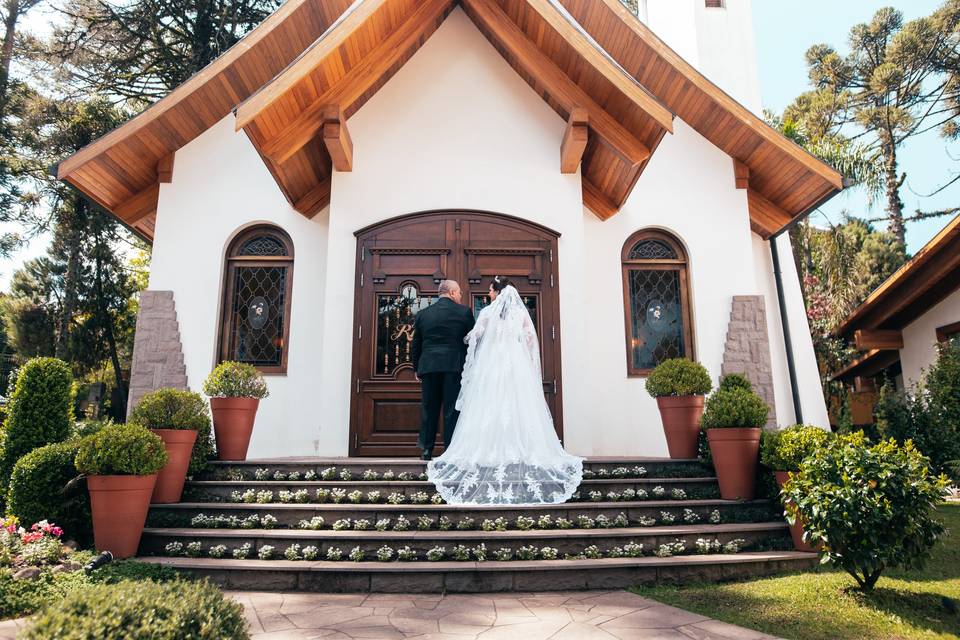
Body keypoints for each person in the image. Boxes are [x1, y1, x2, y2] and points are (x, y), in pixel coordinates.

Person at [427, 276, 583, 505]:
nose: (488, 294)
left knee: (490, 404)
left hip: (491, 366)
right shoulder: (520, 315)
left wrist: (465, 339)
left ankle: (487, 448)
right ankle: (520, 448)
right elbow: (531, 340)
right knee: (517, 404)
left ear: (497, 292)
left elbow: (476, 335)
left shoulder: (487, 313)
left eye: (490, 291)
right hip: (515, 366)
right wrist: (528, 364)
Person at [411, 279, 475, 461]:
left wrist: (417, 367)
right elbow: (472, 341)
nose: (461, 296)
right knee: (451, 409)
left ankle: (426, 450)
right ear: (452, 292)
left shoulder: (423, 314)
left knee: (429, 408)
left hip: (429, 366)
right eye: (460, 293)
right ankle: (450, 451)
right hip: (454, 366)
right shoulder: (464, 313)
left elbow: (416, 344)